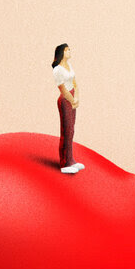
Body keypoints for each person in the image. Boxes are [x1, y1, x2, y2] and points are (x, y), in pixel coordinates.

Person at [52, 44, 85, 174]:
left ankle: (71, 160)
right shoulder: (58, 70)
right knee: (66, 131)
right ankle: (64, 162)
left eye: (70, 49)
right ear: (61, 52)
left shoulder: (69, 65)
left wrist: (77, 97)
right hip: (65, 100)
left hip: (72, 97)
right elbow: (62, 89)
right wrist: (72, 100)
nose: (70, 51)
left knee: (71, 130)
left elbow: (75, 83)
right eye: (67, 50)